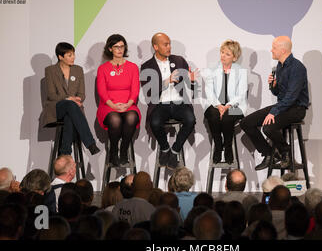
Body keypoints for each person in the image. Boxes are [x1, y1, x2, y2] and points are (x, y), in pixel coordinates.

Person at [240, 36, 309, 170]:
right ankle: (268, 154)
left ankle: (286, 152)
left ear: (283, 50)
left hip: (296, 108)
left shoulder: (297, 67)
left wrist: (273, 112)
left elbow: (291, 97)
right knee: (246, 123)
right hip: (284, 106)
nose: (271, 50)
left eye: (274, 48)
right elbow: (279, 93)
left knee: (268, 127)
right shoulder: (279, 66)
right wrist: (273, 85)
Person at [140, 32, 198, 170]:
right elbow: (149, 92)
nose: (169, 47)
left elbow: (191, 86)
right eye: (165, 44)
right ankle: (165, 148)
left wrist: (193, 81)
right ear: (155, 46)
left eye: (169, 44)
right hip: (160, 104)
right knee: (154, 122)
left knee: (190, 120)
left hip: (179, 102)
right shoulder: (147, 66)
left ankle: (174, 151)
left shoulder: (179, 60)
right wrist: (167, 81)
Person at [41, 42, 100, 156]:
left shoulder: (78, 70)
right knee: (69, 105)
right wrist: (69, 98)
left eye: (73, 54)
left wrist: (76, 99)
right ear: (60, 57)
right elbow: (51, 95)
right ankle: (90, 143)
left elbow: (82, 94)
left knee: (70, 115)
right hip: (56, 108)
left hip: (73, 109)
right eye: (69, 55)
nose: (73, 57)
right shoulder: (50, 70)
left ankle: (65, 153)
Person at [96, 34, 141, 166]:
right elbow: (102, 92)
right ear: (110, 49)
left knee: (132, 117)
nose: (120, 49)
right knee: (115, 120)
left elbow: (135, 90)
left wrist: (128, 104)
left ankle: (124, 150)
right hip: (108, 105)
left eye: (122, 46)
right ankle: (113, 151)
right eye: (116, 47)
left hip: (129, 104)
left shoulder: (132, 67)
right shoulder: (103, 69)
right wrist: (114, 106)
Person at [203, 39, 247, 163]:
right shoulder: (212, 69)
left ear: (234, 57)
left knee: (228, 117)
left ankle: (228, 147)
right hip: (215, 104)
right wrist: (218, 105)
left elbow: (241, 93)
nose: (223, 56)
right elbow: (209, 90)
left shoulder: (241, 72)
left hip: (235, 105)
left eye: (227, 54)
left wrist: (227, 105)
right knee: (213, 115)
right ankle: (218, 145)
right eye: (222, 52)